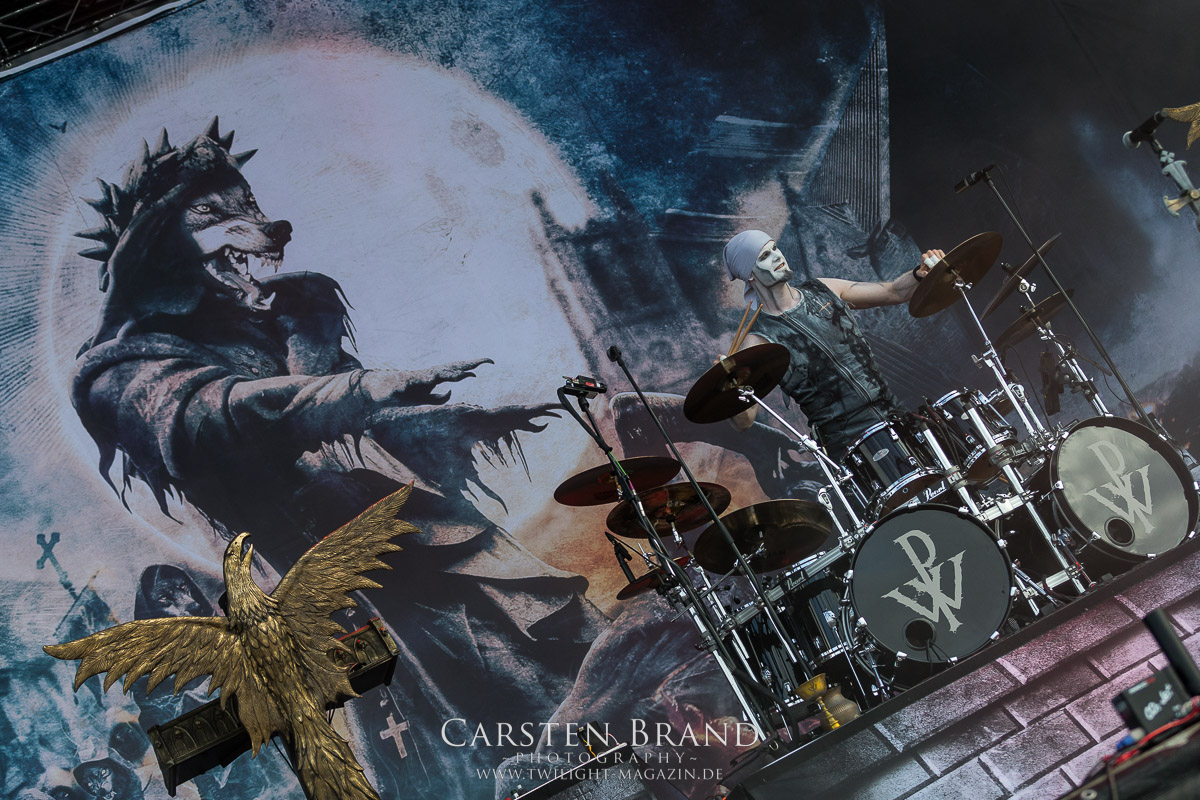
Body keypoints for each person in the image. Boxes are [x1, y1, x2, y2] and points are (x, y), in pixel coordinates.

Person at [724, 229, 944, 459]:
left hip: (896, 416)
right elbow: (744, 422)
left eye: (775, 248)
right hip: (851, 448)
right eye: (764, 256)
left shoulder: (823, 289)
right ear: (750, 275)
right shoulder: (758, 341)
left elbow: (893, 292)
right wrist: (728, 387)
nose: (777, 256)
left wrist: (918, 274)